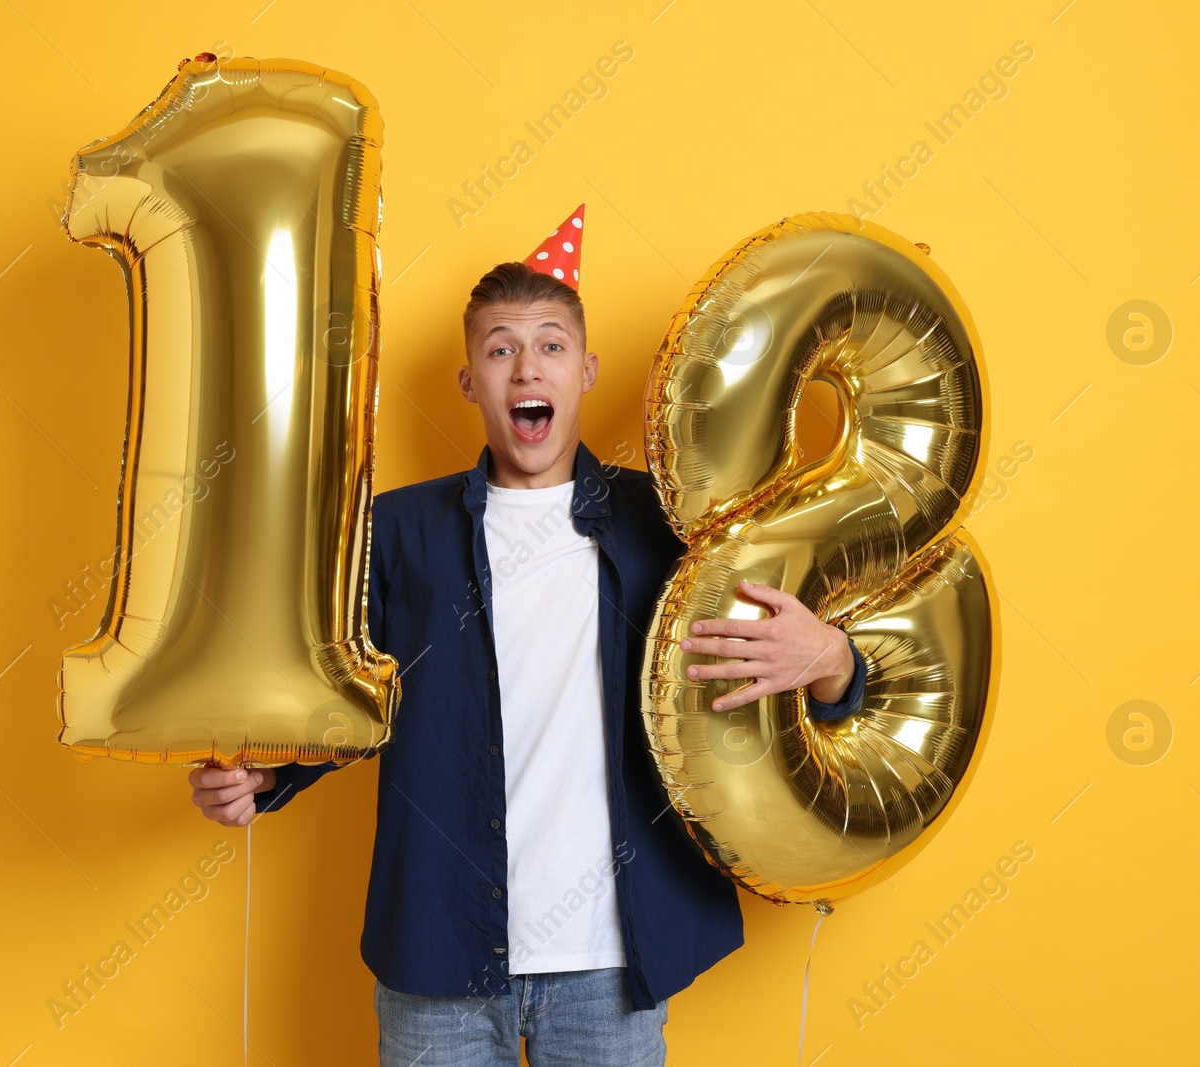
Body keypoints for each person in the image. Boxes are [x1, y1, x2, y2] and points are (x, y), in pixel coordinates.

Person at [189, 205, 868, 1066]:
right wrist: (263, 774)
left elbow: (791, 664)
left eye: (549, 345)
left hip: (608, 964)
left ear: (584, 371)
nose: (525, 367)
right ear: (470, 380)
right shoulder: (397, 532)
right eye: (500, 348)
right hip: (438, 955)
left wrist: (834, 662)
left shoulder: (665, 524)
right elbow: (338, 693)